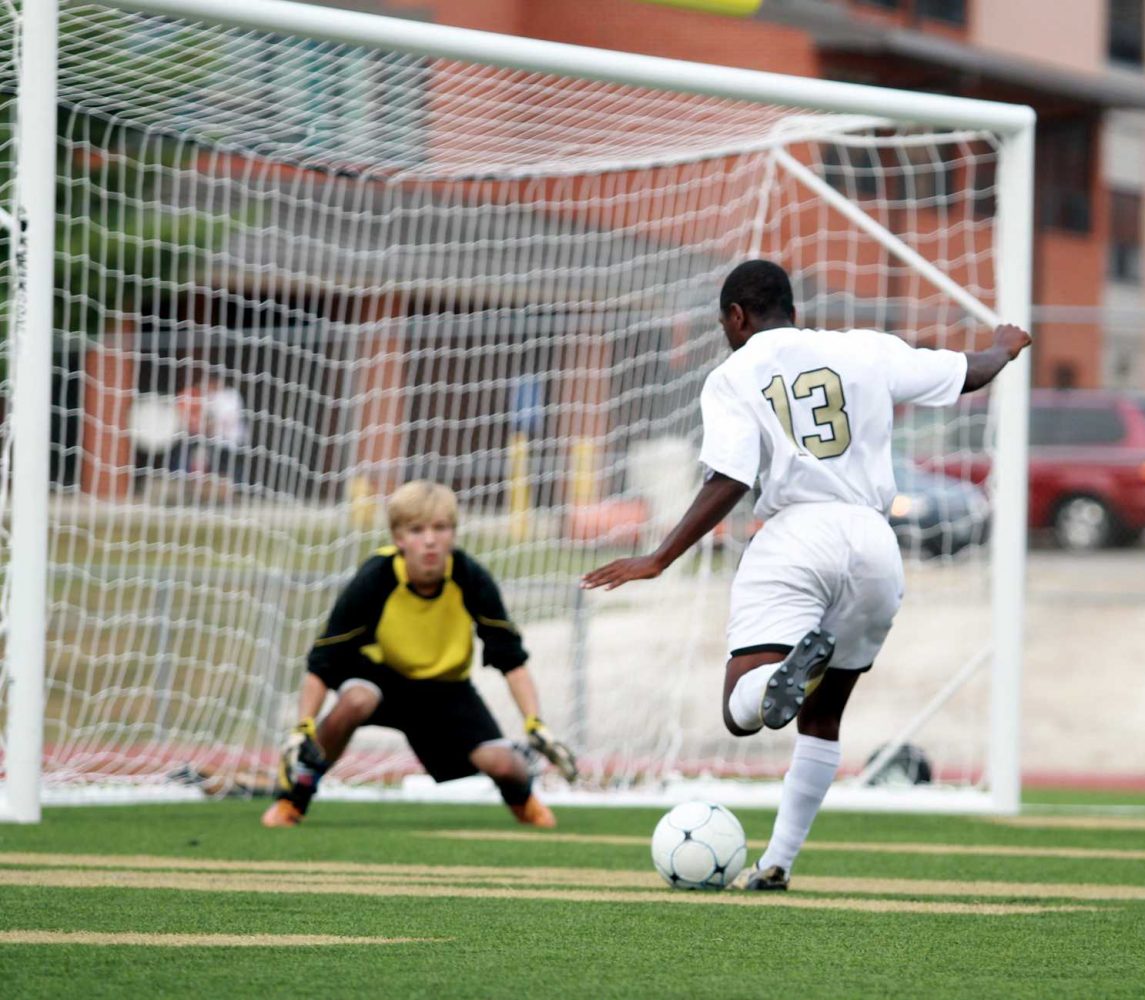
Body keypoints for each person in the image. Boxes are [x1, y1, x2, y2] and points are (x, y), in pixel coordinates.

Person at [581, 260, 1030, 890]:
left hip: (796, 536)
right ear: (790, 307)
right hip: (875, 542)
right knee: (822, 718)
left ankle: (772, 680)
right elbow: (970, 373)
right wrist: (1004, 347)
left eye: (723, 324)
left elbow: (731, 477)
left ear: (736, 317)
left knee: (742, 708)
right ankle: (778, 862)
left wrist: (659, 558)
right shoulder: (865, 350)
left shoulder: (735, 372)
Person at [262, 479, 577, 829]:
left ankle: (524, 801)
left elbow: (511, 660)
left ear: (453, 534)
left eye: (440, 528)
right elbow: (323, 661)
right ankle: (294, 799)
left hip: (445, 690)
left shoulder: (471, 578)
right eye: (416, 530)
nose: (429, 540)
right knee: (355, 700)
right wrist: (303, 725)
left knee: (504, 765)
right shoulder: (375, 578)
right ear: (398, 538)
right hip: (382, 679)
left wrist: (534, 722)